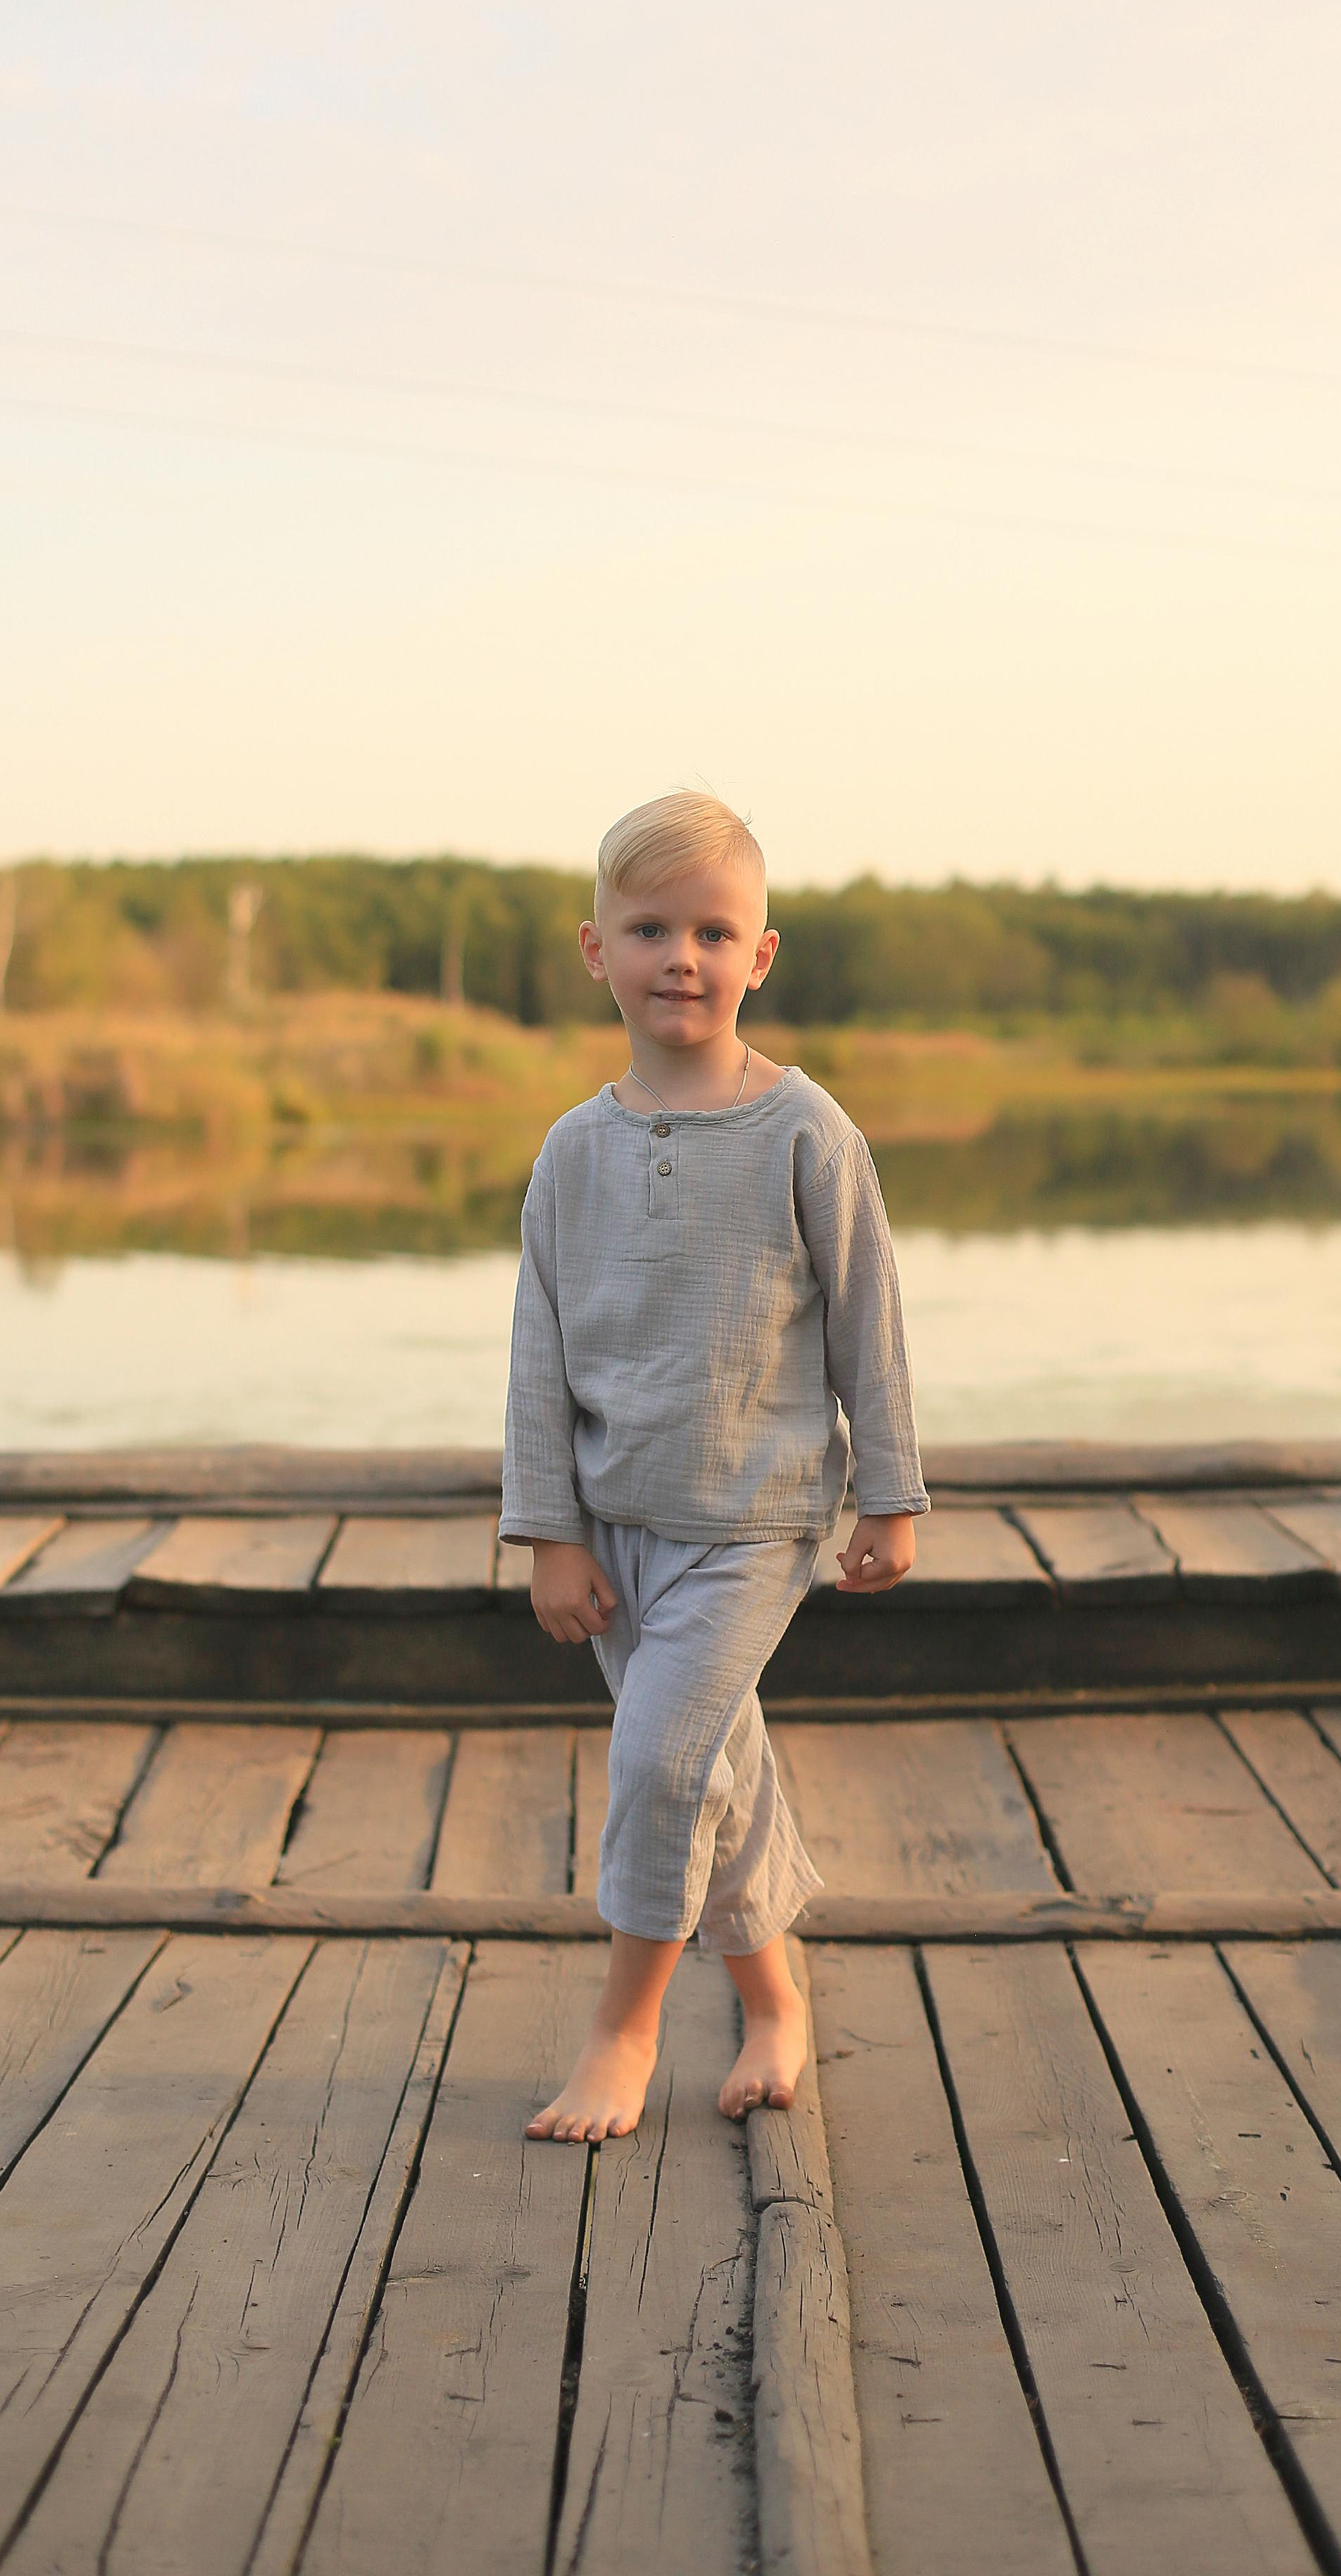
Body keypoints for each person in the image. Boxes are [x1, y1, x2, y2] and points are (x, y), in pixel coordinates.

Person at [501, 789, 927, 2139]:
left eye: (711, 930)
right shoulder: (574, 1152)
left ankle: (624, 2033)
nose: (679, 956)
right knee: (715, 1770)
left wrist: (891, 1492)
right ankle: (776, 1998)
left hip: (754, 1522)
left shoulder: (806, 1132)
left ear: (761, 956)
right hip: (617, 1529)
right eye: (647, 929)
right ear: (596, 952)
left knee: (660, 1763)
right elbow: (537, 1353)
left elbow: (870, 1320)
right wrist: (548, 1532)